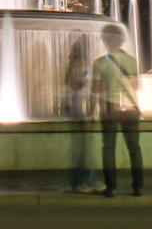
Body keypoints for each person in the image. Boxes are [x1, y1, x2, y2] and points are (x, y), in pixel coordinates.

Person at [91, 23, 142, 198]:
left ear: (105, 40)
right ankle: (137, 186)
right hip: (130, 108)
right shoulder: (132, 61)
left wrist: (91, 112)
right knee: (134, 147)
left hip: (110, 107)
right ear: (121, 40)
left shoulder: (100, 63)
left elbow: (95, 91)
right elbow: (136, 86)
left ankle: (110, 187)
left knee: (108, 148)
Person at [62, 40, 100, 193]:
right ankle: (83, 181)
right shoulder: (77, 66)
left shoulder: (76, 66)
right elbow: (75, 85)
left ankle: (85, 180)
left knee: (83, 149)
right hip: (80, 113)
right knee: (84, 149)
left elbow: (69, 86)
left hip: (78, 113)